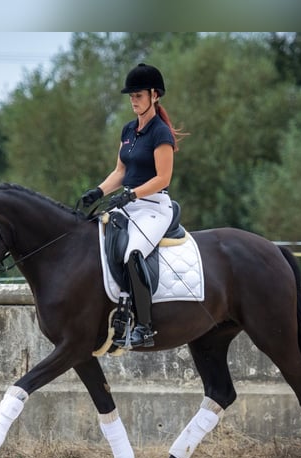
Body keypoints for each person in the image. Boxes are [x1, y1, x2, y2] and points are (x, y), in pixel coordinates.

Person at [81, 63, 184, 348]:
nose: (133, 100)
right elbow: (120, 172)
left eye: (138, 95)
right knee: (94, 239)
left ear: (155, 95)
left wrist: (132, 195)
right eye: (131, 96)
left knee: (133, 251)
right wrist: (98, 191)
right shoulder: (128, 129)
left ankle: (145, 326)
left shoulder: (160, 133)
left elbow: (163, 177)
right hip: (130, 203)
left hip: (153, 207)